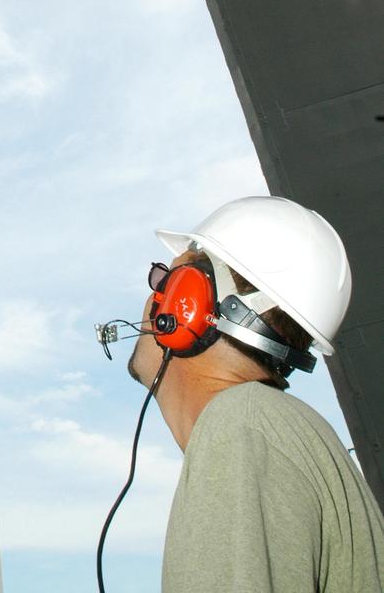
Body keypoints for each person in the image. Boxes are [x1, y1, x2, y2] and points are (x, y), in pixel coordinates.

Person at [127, 195, 384, 592]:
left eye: (164, 278)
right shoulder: (271, 429)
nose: (150, 295)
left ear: (186, 303)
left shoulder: (240, 431)